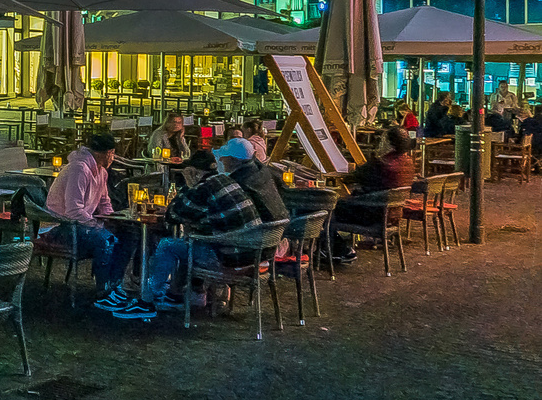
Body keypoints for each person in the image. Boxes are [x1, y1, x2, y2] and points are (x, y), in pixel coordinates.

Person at [114, 138, 287, 321]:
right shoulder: (236, 181)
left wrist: (188, 186)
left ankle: (147, 301)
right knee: (187, 242)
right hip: (256, 254)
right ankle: (182, 294)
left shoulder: (208, 186)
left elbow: (174, 215)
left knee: (167, 245)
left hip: (231, 259)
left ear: (195, 172)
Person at [41, 132, 140, 308]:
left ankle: (114, 284)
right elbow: (73, 211)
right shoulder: (79, 169)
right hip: (60, 226)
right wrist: (98, 225)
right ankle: (103, 291)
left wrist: (113, 219)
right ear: (107, 153)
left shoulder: (101, 172)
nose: (113, 158)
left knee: (129, 234)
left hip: (81, 224)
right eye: (112, 153)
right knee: (105, 239)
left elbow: (104, 202)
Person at [329, 125, 418, 262]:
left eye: (382, 140)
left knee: (329, 209)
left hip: (370, 212)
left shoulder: (381, 164)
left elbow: (352, 178)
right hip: (391, 214)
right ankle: (336, 248)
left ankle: (335, 249)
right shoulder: (407, 162)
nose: (379, 143)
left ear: (389, 144)